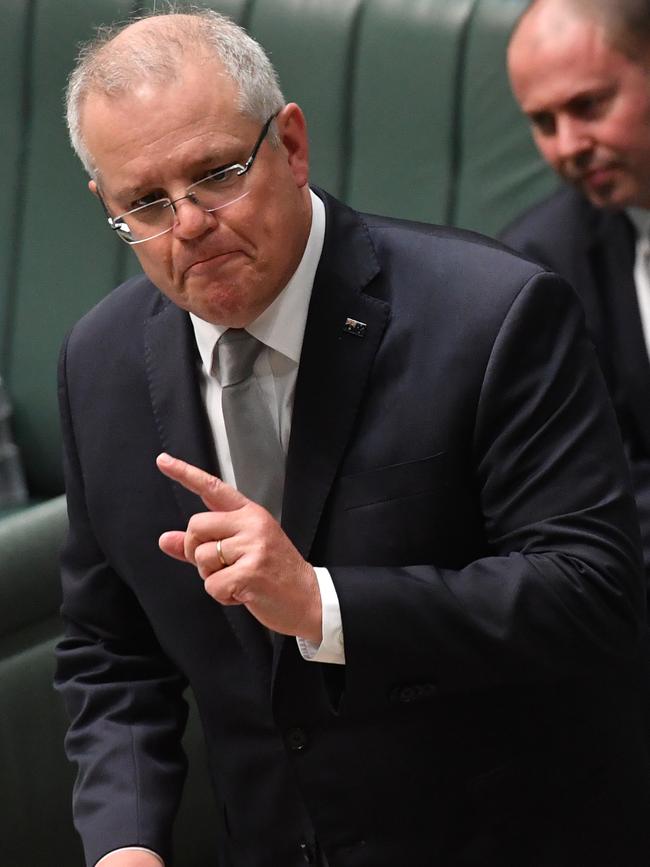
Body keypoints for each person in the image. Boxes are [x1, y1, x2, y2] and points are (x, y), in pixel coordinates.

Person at [56, 9, 650, 867]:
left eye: (216, 174)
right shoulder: (99, 361)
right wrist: (124, 840)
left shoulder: (494, 312)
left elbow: (592, 593)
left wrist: (324, 603)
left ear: (291, 145)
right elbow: (107, 648)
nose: (187, 224)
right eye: (144, 202)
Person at [502, 0, 650, 594]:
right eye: (543, 123)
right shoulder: (541, 266)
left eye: (589, 106)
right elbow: (592, 495)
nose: (567, 146)